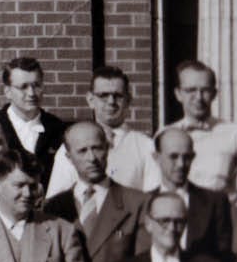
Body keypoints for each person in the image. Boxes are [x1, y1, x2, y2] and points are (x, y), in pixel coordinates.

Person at [43, 119, 147, 262]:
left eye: (97, 148)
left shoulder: (137, 203)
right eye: (82, 151)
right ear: (69, 157)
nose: (91, 158)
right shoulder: (53, 208)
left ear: (107, 149)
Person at [47, 65, 160, 195]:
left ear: (128, 100)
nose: (111, 101)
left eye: (118, 96)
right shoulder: (71, 147)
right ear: (90, 100)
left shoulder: (146, 146)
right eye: (103, 95)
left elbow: (152, 199)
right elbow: (57, 199)